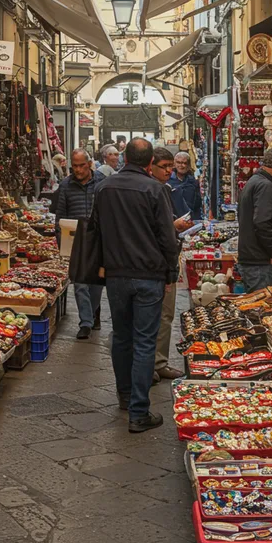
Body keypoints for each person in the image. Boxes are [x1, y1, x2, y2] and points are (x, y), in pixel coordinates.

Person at [88, 138, 184, 433]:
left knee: (121, 337)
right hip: (149, 275)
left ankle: (125, 395)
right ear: (148, 162)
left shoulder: (104, 187)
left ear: (124, 158)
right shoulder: (154, 189)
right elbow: (168, 239)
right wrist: (170, 271)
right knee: (144, 341)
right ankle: (139, 411)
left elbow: (95, 228)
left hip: (117, 275)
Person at [53, 149, 107, 339]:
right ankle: (85, 322)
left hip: (98, 238)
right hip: (76, 239)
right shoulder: (66, 185)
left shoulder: (101, 181)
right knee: (80, 283)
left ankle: (94, 312)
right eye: (74, 166)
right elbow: (60, 215)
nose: (77, 170)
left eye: (81, 165)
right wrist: (62, 244)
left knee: (97, 282)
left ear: (89, 164)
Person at [148, 147, 190, 382]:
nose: (168, 171)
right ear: (150, 166)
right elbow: (155, 230)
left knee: (164, 315)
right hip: (156, 263)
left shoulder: (165, 189)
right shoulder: (153, 190)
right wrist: (173, 227)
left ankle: (158, 362)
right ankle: (151, 365)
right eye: (164, 167)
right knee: (156, 315)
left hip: (160, 262)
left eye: (170, 167)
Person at [237, 146, 272, 292]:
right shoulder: (265, 186)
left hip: (254, 259)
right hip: (261, 262)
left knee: (256, 305)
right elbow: (262, 223)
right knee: (261, 307)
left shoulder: (255, 181)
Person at [168, 151, 204, 221]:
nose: (182, 166)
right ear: (174, 164)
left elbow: (197, 204)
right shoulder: (168, 181)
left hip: (190, 220)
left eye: (185, 163)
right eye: (179, 162)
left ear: (188, 165)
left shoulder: (193, 181)